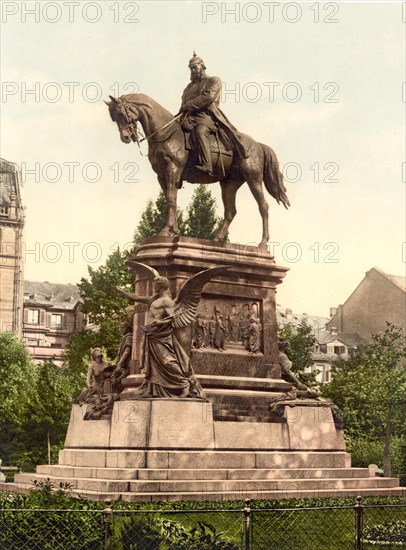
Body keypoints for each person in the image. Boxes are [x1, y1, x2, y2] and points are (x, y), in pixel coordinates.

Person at [114, 277, 206, 399]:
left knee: (167, 361)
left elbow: (172, 318)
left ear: (161, 286)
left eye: (155, 285)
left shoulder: (166, 301)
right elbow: (136, 297)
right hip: (152, 335)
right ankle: (154, 387)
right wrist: (120, 291)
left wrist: (158, 323)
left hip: (161, 336)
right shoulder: (153, 299)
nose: (153, 287)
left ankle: (184, 384)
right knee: (154, 365)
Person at [179, 52, 247, 176]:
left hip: (207, 116)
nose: (193, 70)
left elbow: (208, 97)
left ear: (202, 66)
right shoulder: (188, 88)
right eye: (191, 68)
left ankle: (207, 165)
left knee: (200, 132)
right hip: (189, 117)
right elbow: (183, 105)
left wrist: (188, 106)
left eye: (195, 67)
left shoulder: (213, 80)